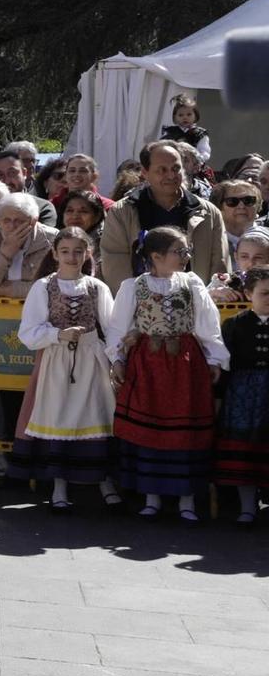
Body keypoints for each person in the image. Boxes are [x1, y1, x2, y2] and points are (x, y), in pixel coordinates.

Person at [106, 227, 227, 520]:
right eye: (179, 251)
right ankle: (152, 497)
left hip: (185, 364)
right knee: (150, 430)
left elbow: (208, 323)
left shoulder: (191, 282)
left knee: (185, 432)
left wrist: (215, 358)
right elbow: (118, 327)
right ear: (156, 256)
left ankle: (186, 500)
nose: (185, 256)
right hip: (147, 364)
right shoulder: (133, 286)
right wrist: (117, 359)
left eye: (187, 251)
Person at [9, 228, 119, 513]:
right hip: (56, 360)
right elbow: (28, 331)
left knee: (96, 414)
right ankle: (59, 484)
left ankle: (103, 481)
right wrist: (58, 334)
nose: (72, 257)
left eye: (78, 251)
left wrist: (117, 359)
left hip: (91, 359)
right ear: (55, 254)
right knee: (58, 416)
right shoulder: (43, 286)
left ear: (87, 253)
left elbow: (112, 328)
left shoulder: (97, 287)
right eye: (66, 251)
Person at [100, 141, 228, 289]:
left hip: (197, 298)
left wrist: (204, 296)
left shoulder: (208, 213)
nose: (171, 175)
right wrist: (139, 298)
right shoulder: (121, 212)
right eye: (162, 170)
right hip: (140, 300)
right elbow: (115, 266)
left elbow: (219, 265)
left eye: (176, 168)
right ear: (145, 172)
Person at [214, 268, 269, 526]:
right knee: (244, 449)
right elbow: (224, 366)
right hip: (243, 397)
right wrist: (218, 399)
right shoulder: (234, 324)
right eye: (264, 293)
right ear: (248, 294)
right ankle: (247, 508)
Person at [0, 193, 59, 299]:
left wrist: (10, 290)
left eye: (19, 221)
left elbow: (55, 287)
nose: (12, 226)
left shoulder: (52, 238)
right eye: (6, 220)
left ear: (33, 221)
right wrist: (4, 254)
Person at [212, 179, 262, 264]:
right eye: (232, 201)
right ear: (218, 207)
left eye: (248, 200)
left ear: (258, 205)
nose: (241, 206)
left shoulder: (266, 236)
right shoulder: (210, 241)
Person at [160, 92, 213, 168]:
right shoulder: (171, 132)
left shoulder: (200, 134)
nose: (185, 117)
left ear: (195, 115)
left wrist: (196, 161)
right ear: (175, 117)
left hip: (194, 167)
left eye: (189, 114)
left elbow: (205, 153)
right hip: (173, 166)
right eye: (180, 115)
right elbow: (162, 149)